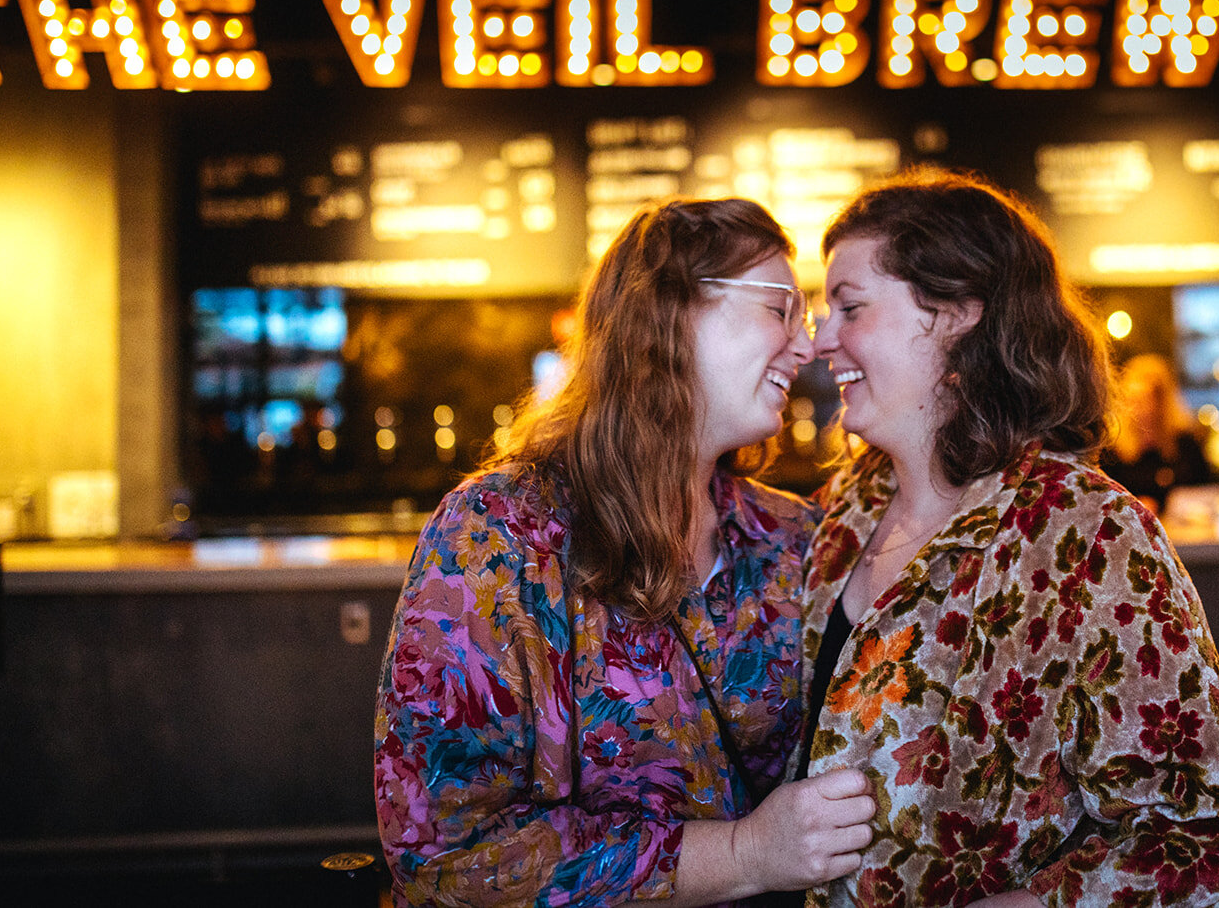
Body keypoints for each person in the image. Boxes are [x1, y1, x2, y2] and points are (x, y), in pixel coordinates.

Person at [375, 197, 875, 907]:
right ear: (669, 317)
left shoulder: (790, 537)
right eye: (782, 309)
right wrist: (745, 853)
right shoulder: (497, 535)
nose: (809, 345)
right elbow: (444, 848)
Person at [794, 168, 1219, 907]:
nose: (820, 339)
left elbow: (1218, 835)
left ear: (958, 316)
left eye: (849, 307)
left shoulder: (1088, 535)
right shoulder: (844, 509)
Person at [1102, 353, 1213, 516]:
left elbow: (1208, 493)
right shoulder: (1112, 451)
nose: (1139, 409)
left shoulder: (1186, 444)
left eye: (1147, 400)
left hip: (1184, 535)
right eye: (1134, 400)